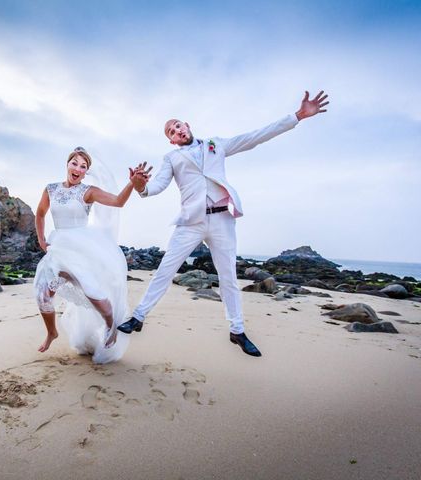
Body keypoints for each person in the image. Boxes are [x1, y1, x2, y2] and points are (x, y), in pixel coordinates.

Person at [118, 91, 330, 357]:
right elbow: (157, 185)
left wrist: (296, 116)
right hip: (191, 222)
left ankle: (237, 331)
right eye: (171, 131)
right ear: (171, 140)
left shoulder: (216, 144)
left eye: (178, 125)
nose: (177, 130)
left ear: (187, 125)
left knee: (228, 276)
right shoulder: (172, 159)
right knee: (165, 270)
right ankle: (137, 318)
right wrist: (140, 187)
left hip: (222, 219)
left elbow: (253, 137)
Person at [33, 147, 147, 364]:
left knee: (95, 296)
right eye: (74, 163)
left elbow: (117, 202)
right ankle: (52, 332)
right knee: (43, 295)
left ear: (86, 172)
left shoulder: (88, 191)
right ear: (67, 164)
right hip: (58, 249)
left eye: (83, 166)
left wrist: (133, 184)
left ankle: (111, 325)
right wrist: (41, 239)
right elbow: (40, 213)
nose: (78, 168)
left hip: (80, 251)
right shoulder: (51, 189)